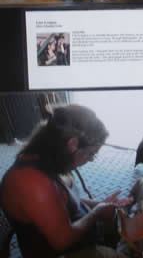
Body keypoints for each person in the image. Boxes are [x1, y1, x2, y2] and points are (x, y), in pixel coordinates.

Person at [0, 104, 132, 257]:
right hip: (58, 252)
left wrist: (101, 204)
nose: (90, 160)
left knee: (120, 226)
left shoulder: (52, 157)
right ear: (73, 144)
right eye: (91, 154)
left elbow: (63, 200)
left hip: (73, 236)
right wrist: (97, 212)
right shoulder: (32, 182)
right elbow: (63, 240)